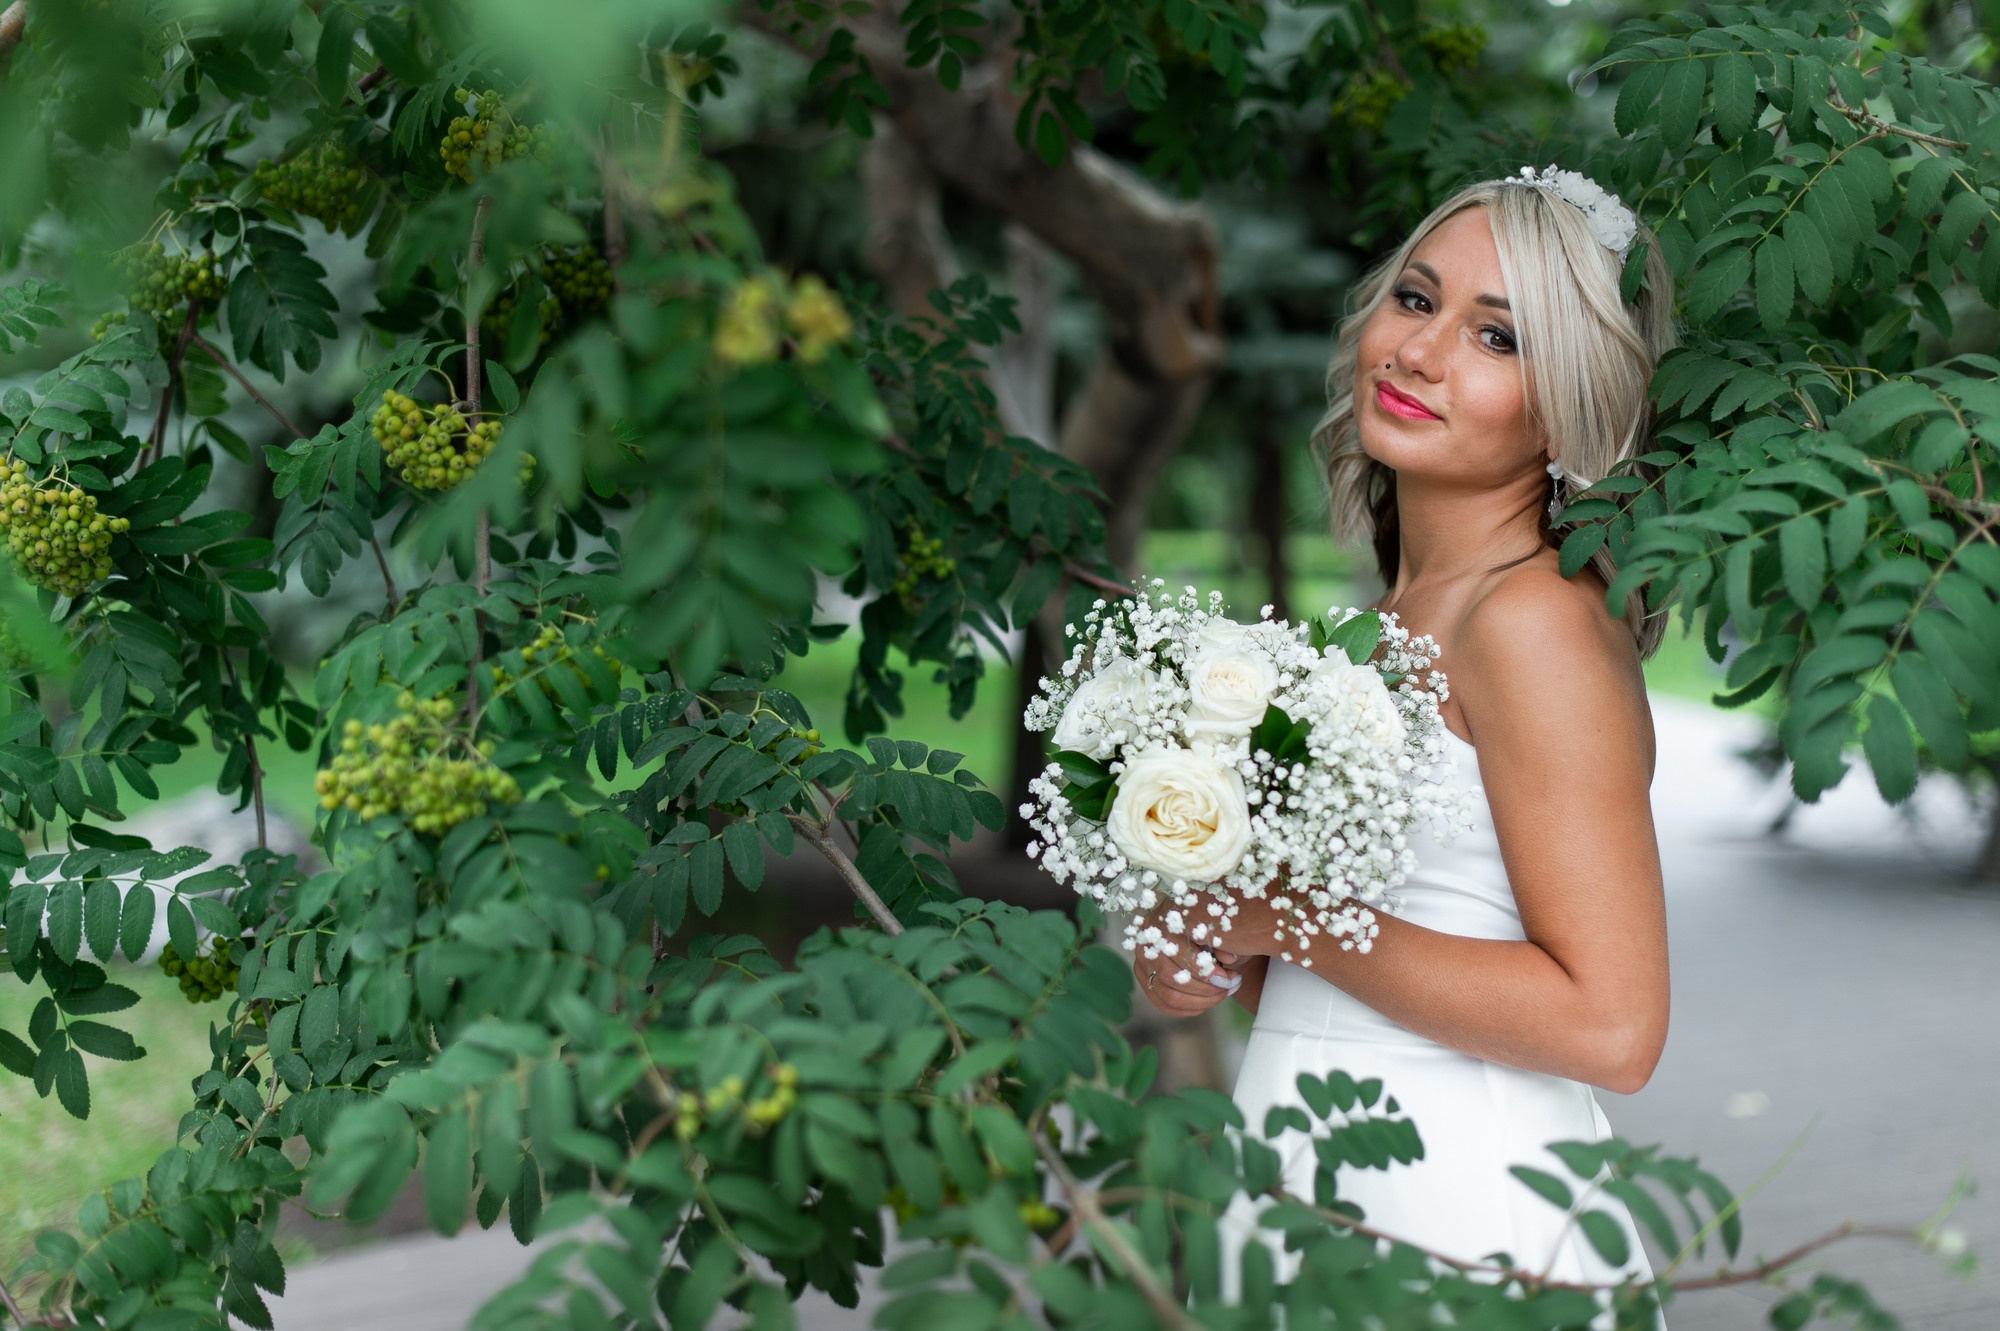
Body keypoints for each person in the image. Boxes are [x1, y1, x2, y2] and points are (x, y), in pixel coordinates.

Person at [1134, 168, 1676, 1293]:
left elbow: (1611, 1024)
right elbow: (1384, 950)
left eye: (1496, 336)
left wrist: (1282, 915)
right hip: (1307, 1159)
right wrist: (1219, 947)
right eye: (1417, 300)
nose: (1420, 352)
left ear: (1568, 403)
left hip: (1458, 1200)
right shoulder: (1381, 628)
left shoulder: (1529, 620)